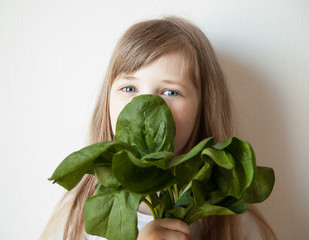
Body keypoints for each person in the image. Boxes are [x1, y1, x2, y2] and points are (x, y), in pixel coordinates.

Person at [40, 16, 277, 240]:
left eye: (170, 92)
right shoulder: (79, 212)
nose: (144, 105)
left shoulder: (232, 219)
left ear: (203, 108)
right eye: (130, 88)